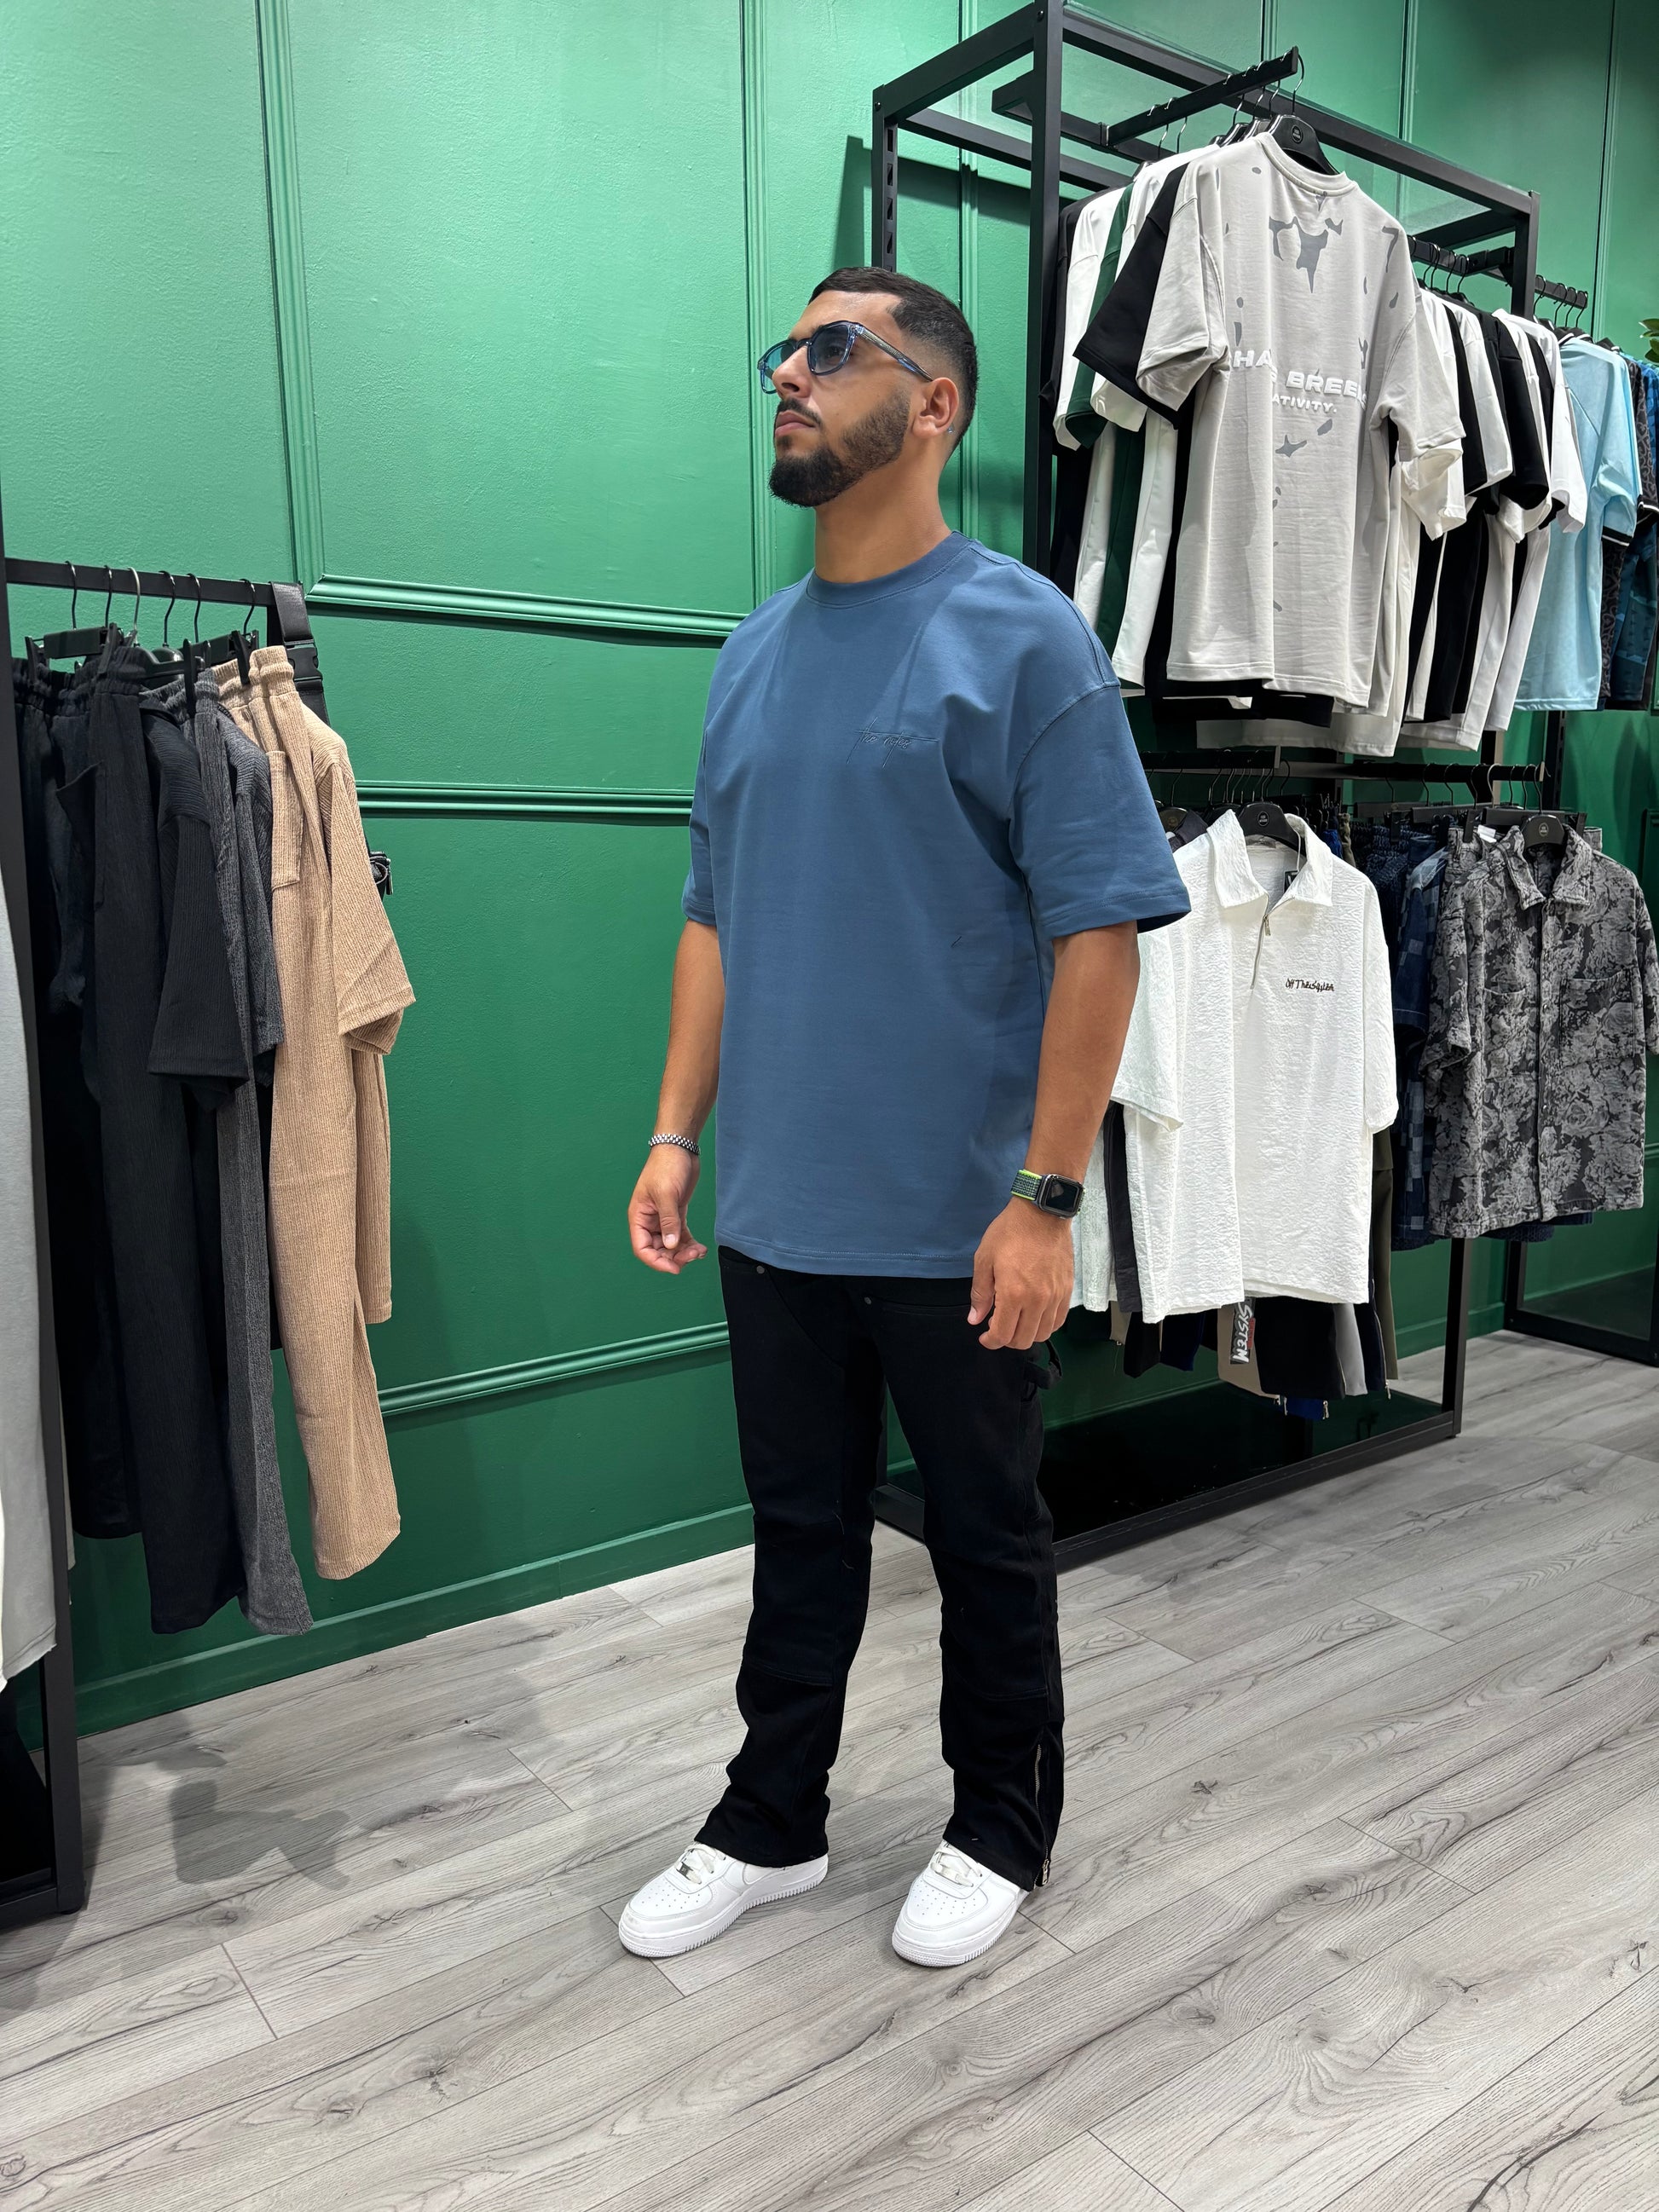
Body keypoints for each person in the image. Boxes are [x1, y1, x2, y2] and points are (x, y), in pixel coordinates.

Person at [621, 267, 1187, 1969]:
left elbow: (1101, 928)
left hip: (959, 1213)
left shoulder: (1025, 635)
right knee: (798, 1533)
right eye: (784, 351)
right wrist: (673, 1131)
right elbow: (714, 914)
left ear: (933, 404)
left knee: (985, 1536)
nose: (789, 376)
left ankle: (999, 1821)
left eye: (833, 350)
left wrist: (1046, 1195)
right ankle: (769, 1819)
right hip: (776, 1201)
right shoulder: (750, 653)